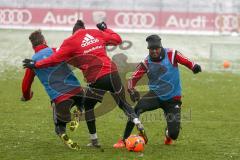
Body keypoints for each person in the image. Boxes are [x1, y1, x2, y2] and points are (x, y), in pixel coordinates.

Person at [22, 20, 147, 147]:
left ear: (73, 32)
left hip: (95, 78)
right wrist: (105, 28)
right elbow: (117, 39)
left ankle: (94, 140)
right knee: (122, 102)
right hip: (112, 73)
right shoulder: (96, 33)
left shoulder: (70, 41)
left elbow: (55, 59)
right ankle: (137, 121)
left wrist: (36, 64)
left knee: (88, 107)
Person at [113, 34, 202, 148]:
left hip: (173, 99)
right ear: (149, 49)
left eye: (156, 48)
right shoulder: (146, 62)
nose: (154, 51)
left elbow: (186, 61)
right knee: (137, 109)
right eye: (151, 49)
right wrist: (131, 90)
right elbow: (132, 79)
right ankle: (124, 140)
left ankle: (168, 134)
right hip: (155, 95)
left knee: (174, 135)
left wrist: (194, 66)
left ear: (161, 47)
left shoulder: (172, 54)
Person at [21, 30, 84, 150]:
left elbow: (25, 85)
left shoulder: (32, 63)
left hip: (60, 98)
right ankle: (79, 110)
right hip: (77, 91)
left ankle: (63, 134)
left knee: (59, 124)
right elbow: (75, 59)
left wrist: (27, 96)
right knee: (81, 102)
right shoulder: (56, 51)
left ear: (33, 46)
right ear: (44, 41)